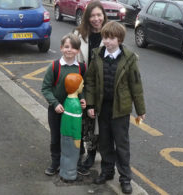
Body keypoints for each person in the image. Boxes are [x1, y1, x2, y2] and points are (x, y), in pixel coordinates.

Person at [84, 21, 146, 194]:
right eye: (105, 37)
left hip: (121, 109)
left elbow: (136, 85)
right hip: (102, 108)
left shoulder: (129, 58)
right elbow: (89, 81)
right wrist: (90, 103)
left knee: (122, 145)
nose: (108, 41)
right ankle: (107, 171)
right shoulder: (97, 55)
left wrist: (141, 110)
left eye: (111, 38)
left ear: (119, 39)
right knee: (104, 142)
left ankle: (125, 178)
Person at [41, 33, 86, 176]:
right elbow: (46, 88)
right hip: (56, 110)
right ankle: (55, 162)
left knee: (75, 136)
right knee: (56, 138)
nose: (69, 50)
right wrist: (54, 103)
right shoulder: (54, 67)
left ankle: (75, 161)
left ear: (78, 51)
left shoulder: (81, 68)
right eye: (66, 47)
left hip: (74, 112)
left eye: (73, 48)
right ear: (61, 48)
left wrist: (83, 99)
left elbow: (83, 87)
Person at [74, 0, 108, 174]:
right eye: (92, 15)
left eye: (99, 15)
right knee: (81, 122)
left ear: (104, 16)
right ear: (87, 17)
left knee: (95, 124)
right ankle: (79, 152)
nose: (96, 19)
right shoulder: (79, 35)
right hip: (81, 86)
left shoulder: (109, 35)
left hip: (100, 88)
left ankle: (92, 156)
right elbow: (72, 60)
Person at [60, 73, 84, 182]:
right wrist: (77, 139)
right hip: (73, 137)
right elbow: (76, 125)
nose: (83, 86)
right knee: (73, 156)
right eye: (82, 84)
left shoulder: (67, 100)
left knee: (65, 154)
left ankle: (63, 173)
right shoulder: (76, 105)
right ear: (76, 86)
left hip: (64, 133)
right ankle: (70, 175)